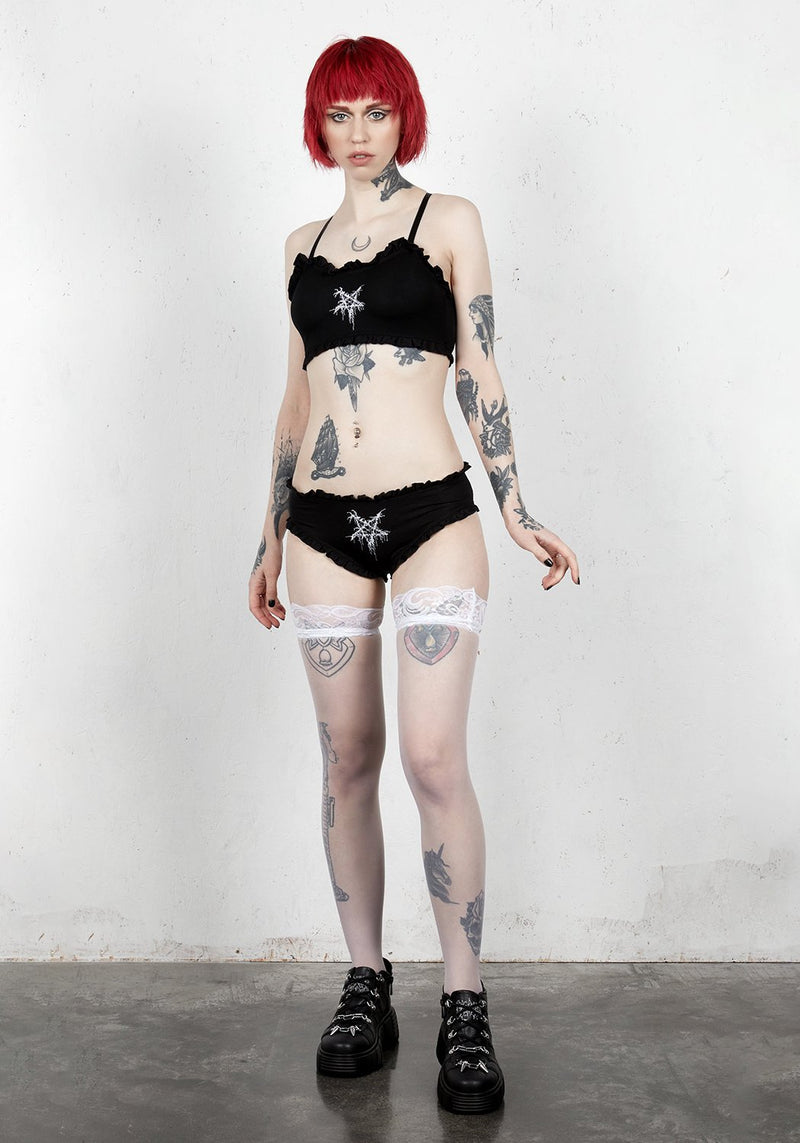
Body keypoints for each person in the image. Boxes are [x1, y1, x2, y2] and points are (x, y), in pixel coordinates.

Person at [248, 35, 580, 1115]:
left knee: (433, 760)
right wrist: (267, 536)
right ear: (318, 124)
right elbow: (296, 400)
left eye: (375, 111)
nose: (357, 132)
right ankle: (365, 981)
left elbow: (480, 368)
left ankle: (464, 1001)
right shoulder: (299, 248)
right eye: (339, 113)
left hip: (432, 508)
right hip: (319, 527)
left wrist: (516, 508)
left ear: (405, 117)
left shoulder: (449, 222)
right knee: (347, 758)